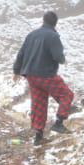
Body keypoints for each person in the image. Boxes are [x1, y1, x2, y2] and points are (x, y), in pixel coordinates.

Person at [11, 10, 73, 146]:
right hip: (46, 74)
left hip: (31, 76)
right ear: (55, 23)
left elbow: (21, 54)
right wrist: (62, 59)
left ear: (43, 20)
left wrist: (16, 71)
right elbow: (58, 56)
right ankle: (58, 123)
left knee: (39, 103)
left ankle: (38, 137)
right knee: (66, 95)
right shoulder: (53, 36)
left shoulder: (31, 35)